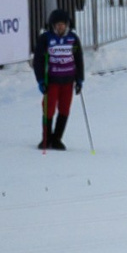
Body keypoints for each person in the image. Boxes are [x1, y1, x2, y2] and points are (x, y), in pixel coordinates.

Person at [30, 9, 83, 151]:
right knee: (49, 108)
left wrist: (79, 80)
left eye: (63, 24)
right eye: (57, 25)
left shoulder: (73, 39)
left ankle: (57, 138)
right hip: (52, 80)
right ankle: (46, 138)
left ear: (67, 25)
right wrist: (41, 80)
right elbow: (38, 62)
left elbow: (78, 59)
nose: (60, 27)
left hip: (68, 80)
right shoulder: (46, 38)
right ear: (52, 25)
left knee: (65, 109)